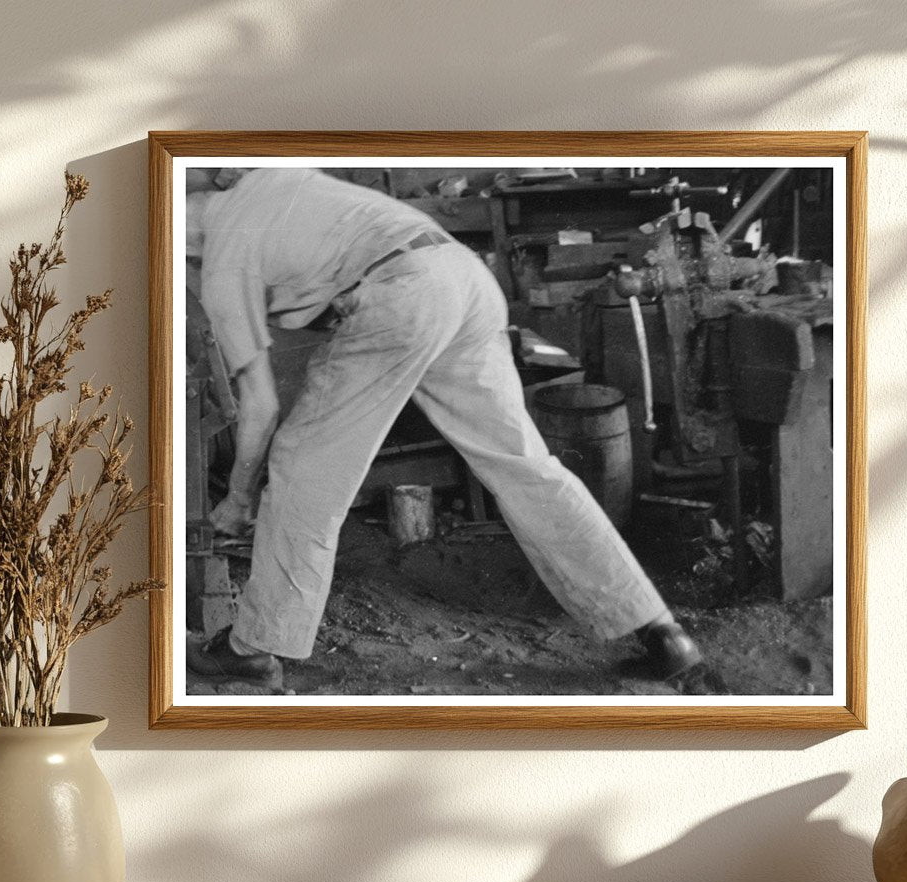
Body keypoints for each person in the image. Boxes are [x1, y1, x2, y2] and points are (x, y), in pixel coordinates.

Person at [185, 168, 701, 691]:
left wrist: (239, 497)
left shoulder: (223, 261)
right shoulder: (270, 184)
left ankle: (252, 649)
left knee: (301, 468)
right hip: (465, 279)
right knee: (525, 466)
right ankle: (657, 628)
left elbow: (260, 405)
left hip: (400, 293)